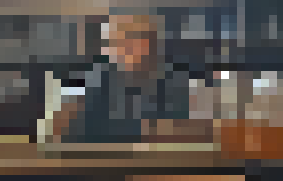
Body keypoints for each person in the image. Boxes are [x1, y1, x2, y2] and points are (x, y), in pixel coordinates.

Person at [44, 13, 205, 144]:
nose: (123, 47)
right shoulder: (99, 75)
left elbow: (180, 132)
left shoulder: (174, 81)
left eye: (133, 38)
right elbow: (72, 127)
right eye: (115, 41)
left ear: (153, 42)